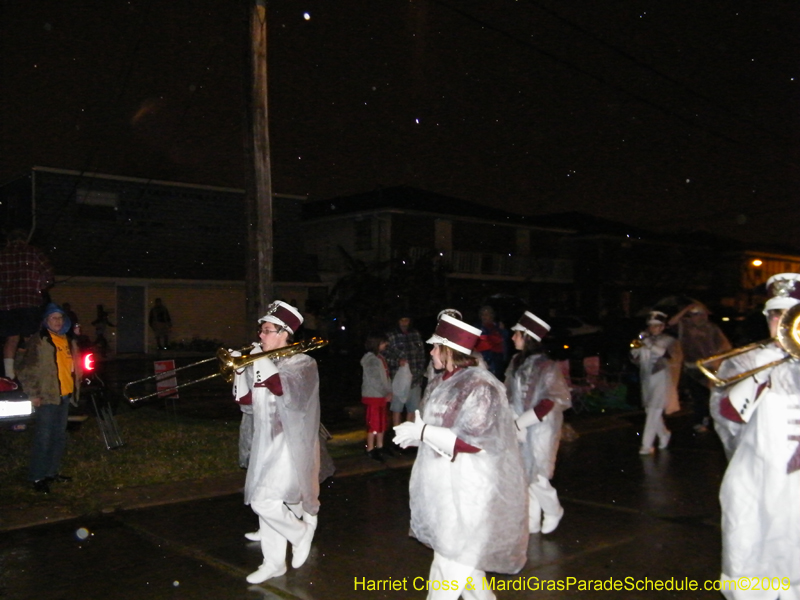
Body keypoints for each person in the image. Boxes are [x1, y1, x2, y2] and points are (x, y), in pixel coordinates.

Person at [394, 312, 528, 600]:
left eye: (435, 347)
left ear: (449, 349)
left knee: (449, 563)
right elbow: (439, 431)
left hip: (471, 488)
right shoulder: (439, 382)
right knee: (467, 572)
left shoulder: (480, 385)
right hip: (443, 486)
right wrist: (420, 435)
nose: (431, 352)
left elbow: (475, 442)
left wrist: (425, 433)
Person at [716, 273, 800, 599]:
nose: (781, 322)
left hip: (794, 478)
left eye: (790, 315)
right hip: (753, 470)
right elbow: (727, 414)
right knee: (745, 542)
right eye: (775, 315)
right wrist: (763, 372)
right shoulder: (750, 359)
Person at [239, 301, 320, 584]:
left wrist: (257, 358)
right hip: (265, 444)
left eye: (267, 331)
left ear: (284, 333)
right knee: (267, 503)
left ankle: (300, 532)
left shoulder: (303, 363)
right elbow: (246, 403)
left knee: (264, 501)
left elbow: (282, 389)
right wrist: (240, 373)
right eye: (261, 331)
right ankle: (274, 562)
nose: (260, 336)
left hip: (289, 446)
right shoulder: (266, 362)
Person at [504, 311, 571, 534]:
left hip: (541, 427)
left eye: (517, 334)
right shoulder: (516, 361)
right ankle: (531, 519)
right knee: (525, 472)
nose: (512, 337)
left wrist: (521, 422)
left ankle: (553, 509)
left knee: (538, 473)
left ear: (528, 337)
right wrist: (512, 419)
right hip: (521, 424)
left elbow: (551, 399)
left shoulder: (547, 366)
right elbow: (511, 393)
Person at [16, 303, 80, 494]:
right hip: (46, 396)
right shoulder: (40, 340)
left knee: (58, 437)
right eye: (53, 318)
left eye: (60, 318)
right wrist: (34, 394)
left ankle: (51, 473)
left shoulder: (68, 340)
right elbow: (26, 369)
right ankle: (37, 476)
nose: (57, 321)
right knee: (44, 438)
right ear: (46, 321)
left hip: (64, 395)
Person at [0, 229, 54, 380]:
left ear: (9, 240)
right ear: (25, 239)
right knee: (31, 337)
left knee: (11, 338)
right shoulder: (34, 252)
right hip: (29, 302)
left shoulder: (2, 254)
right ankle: (33, 371)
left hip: (6, 304)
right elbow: (49, 274)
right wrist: (40, 287)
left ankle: (9, 375)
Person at [669, 301, 731, 433]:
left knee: (711, 396)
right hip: (691, 367)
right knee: (698, 397)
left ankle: (713, 420)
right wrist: (686, 309)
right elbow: (671, 323)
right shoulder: (685, 326)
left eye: (702, 314)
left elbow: (725, 345)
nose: (700, 317)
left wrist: (716, 358)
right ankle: (699, 421)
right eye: (695, 314)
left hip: (708, 367)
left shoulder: (712, 328)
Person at [630, 311, 682, 455]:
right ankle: (664, 433)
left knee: (654, 410)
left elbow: (668, 355)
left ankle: (646, 445)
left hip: (662, 378)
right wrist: (636, 352)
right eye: (651, 326)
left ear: (663, 326)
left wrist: (649, 344)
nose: (653, 329)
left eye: (656, 326)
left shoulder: (670, 340)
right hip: (647, 378)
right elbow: (638, 361)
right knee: (650, 409)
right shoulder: (646, 339)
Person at [384, 313, 426, 427]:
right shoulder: (391, 336)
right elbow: (385, 356)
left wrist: (420, 372)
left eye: (406, 320)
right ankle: (397, 435)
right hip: (399, 379)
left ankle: (408, 437)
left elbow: (421, 354)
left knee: (413, 409)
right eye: (402, 320)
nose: (404, 323)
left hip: (415, 379)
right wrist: (397, 362)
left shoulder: (415, 334)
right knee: (397, 409)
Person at [360, 332, 392, 462]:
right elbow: (375, 380)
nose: (386, 345)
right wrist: (386, 392)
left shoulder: (378, 358)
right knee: (373, 424)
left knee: (381, 423)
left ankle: (380, 446)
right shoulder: (371, 360)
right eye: (384, 342)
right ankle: (370, 448)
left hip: (380, 396)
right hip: (373, 396)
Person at [476, 305, 508, 379]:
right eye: (482, 314)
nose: (484, 317)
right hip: (482, 360)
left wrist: (502, 330)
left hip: (497, 361)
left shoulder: (498, 327)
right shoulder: (477, 327)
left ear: (492, 315)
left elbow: (505, 343)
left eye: (487, 314)